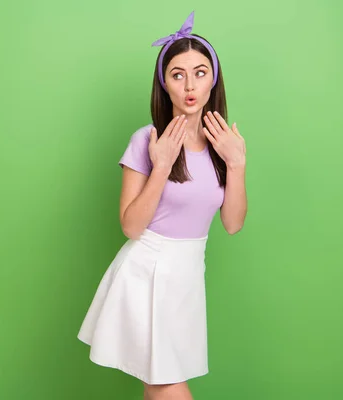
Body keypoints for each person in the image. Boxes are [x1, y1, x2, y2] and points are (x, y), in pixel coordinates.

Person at [77, 11, 247, 400]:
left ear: (214, 80)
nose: (190, 84)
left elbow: (233, 223)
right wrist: (163, 166)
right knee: (167, 384)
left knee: (160, 385)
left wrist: (237, 164)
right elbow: (131, 226)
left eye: (200, 72)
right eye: (177, 74)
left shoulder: (223, 146)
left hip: (188, 274)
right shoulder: (146, 140)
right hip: (148, 272)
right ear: (164, 83)